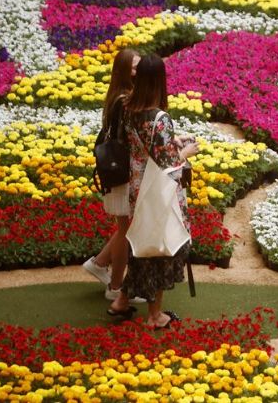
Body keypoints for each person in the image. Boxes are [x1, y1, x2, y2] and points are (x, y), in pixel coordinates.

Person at [107, 53, 199, 329]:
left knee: (142, 244)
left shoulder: (127, 106)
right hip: (158, 191)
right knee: (162, 248)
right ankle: (154, 315)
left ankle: (121, 301)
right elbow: (168, 164)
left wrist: (172, 141)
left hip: (137, 186)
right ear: (160, 80)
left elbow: (147, 148)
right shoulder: (159, 118)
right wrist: (185, 151)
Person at [82, 48, 145, 303]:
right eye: (133, 67)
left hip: (118, 169)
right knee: (126, 229)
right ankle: (116, 286)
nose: (138, 71)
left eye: (139, 66)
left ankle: (99, 263)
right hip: (123, 170)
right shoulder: (125, 99)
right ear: (123, 71)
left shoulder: (118, 96)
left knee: (125, 227)